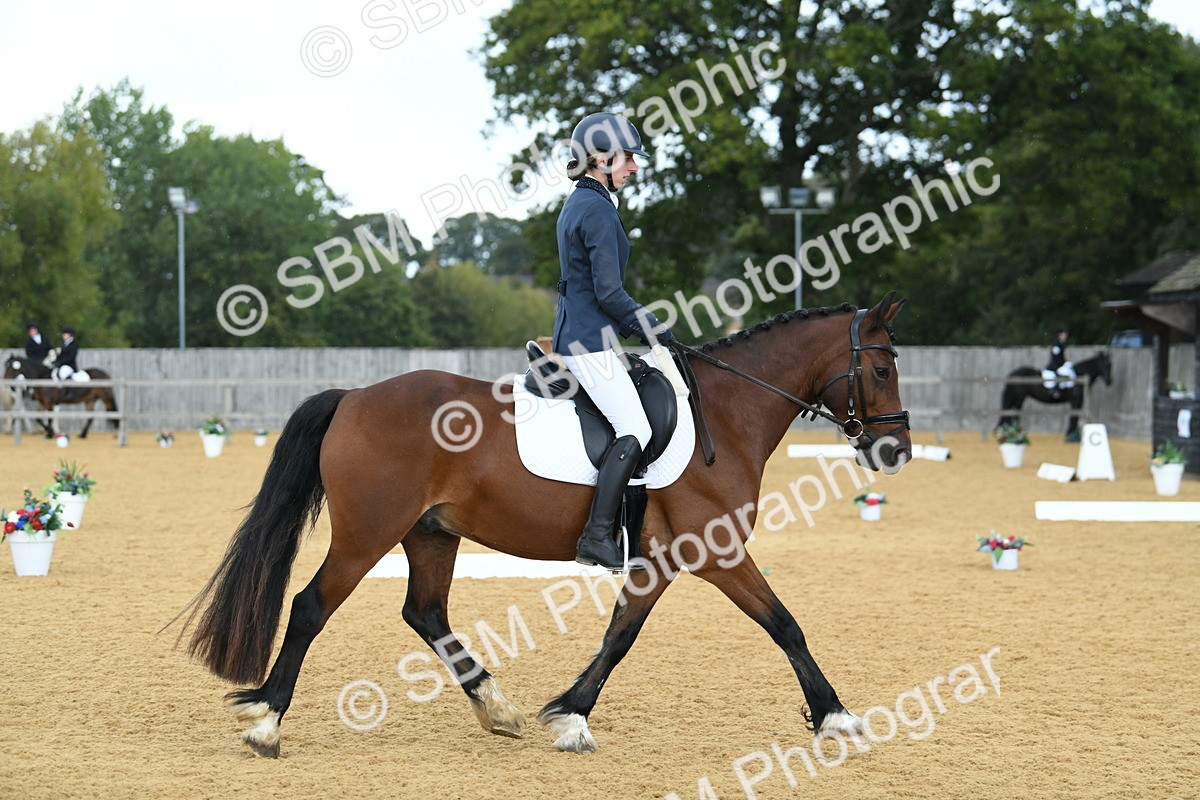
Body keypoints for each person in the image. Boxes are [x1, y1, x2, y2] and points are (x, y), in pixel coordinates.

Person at [553, 112, 673, 571]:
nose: (635, 167)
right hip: (589, 343)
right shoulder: (598, 209)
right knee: (637, 429)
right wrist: (651, 327)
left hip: (584, 334)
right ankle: (598, 537)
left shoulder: (579, 202)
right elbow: (607, 292)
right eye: (628, 159)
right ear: (601, 159)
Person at [1042, 325, 1075, 394]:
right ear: (1060, 335)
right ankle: (1055, 390)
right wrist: (1063, 364)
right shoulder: (1056, 345)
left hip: (1059, 365)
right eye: (1064, 335)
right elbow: (1056, 359)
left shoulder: (1062, 344)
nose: (1065, 336)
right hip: (1054, 367)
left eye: (1066, 335)